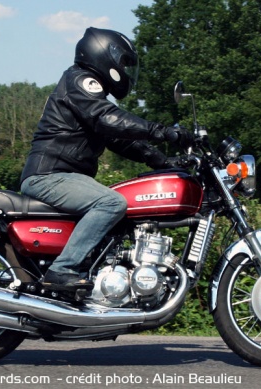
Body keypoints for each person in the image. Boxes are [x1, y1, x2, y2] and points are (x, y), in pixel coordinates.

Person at [20, 27, 193, 291]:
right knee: (111, 203)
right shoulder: (79, 80)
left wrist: (163, 162)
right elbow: (108, 118)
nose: (124, 70)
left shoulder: (89, 93)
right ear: (104, 54)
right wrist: (163, 131)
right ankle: (62, 270)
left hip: (62, 177)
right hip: (49, 176)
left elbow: (120, 139)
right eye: (123, 62)